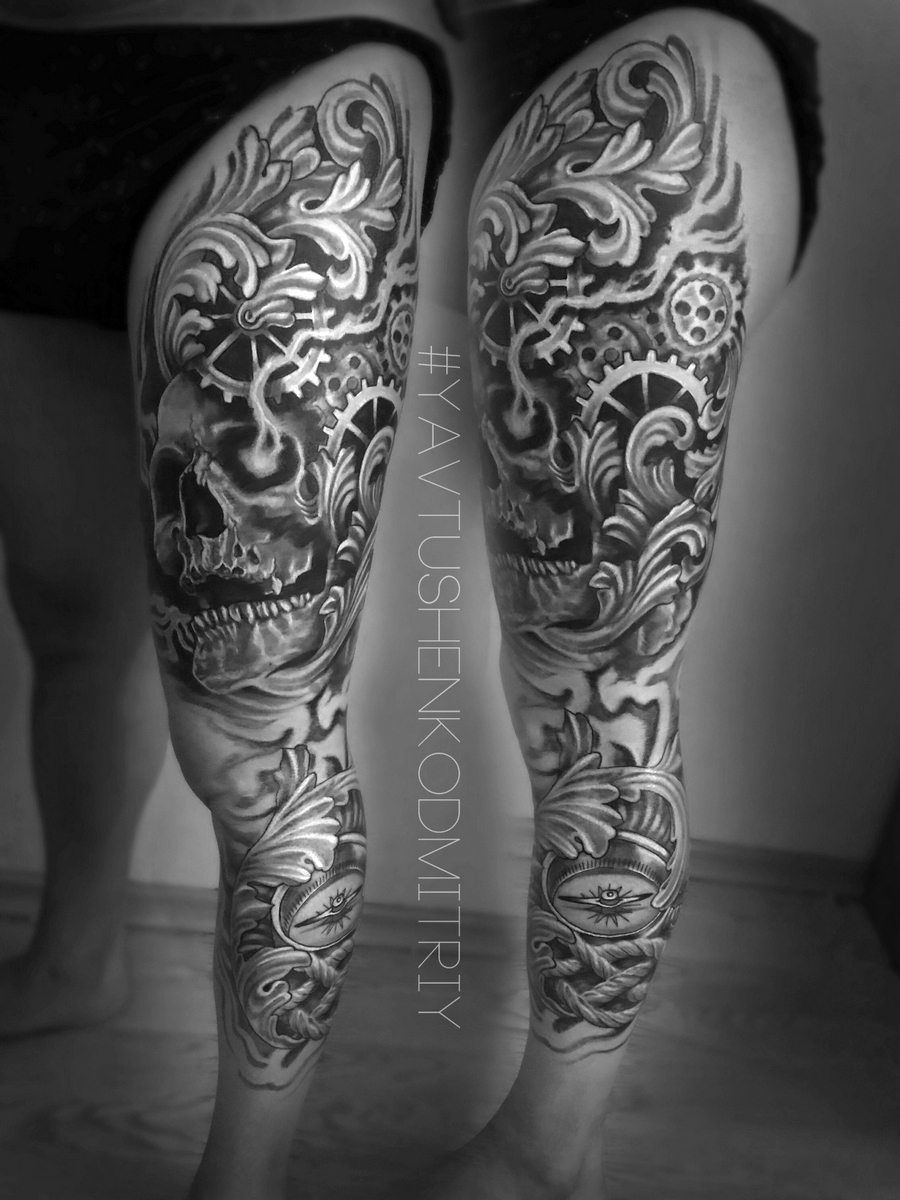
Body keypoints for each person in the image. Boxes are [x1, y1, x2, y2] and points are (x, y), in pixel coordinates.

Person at [0, 3, 451, 1197]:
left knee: (264, 738)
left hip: (289, 57)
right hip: (26, 71)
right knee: (66, 610)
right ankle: (75, 958)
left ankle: (241, 1183)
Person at [418, 1, 821, 1196]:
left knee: (592, 684)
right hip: (447, 85)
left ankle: (542, 1153)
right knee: (575, 679)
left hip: (631, 74)